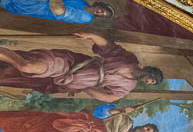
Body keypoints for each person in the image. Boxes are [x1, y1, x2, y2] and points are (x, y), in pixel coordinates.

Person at [0, 32, 163, 102]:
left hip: (66, 83)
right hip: (69, 63)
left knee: (11, 74)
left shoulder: (128, 86)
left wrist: (85, 88)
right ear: (150, 71)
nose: (149, 81)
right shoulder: (129, 59)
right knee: (27, 66)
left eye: (151, 83)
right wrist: (91, 35)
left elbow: (108, 98)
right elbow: (108, 46)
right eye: (152, 78)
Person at [92, 105, 159, 132]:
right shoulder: (125, 119)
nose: (144, 127)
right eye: (146, 126)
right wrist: (120, 111)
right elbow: (101, 111)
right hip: (91, 123)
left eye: (147, 129)